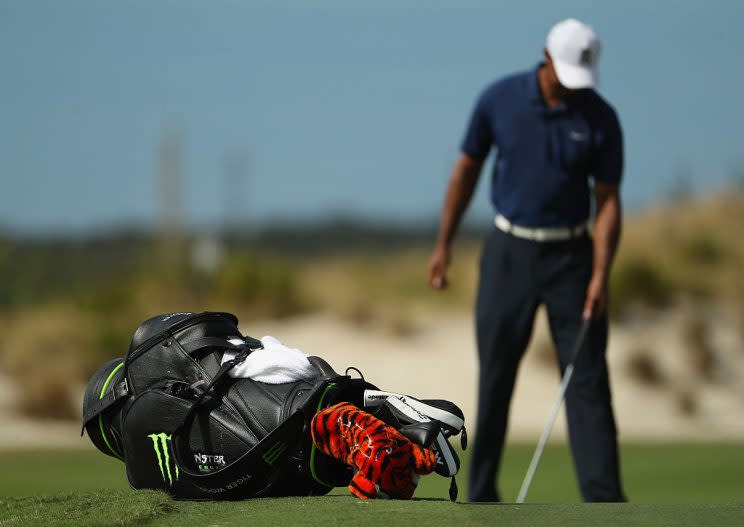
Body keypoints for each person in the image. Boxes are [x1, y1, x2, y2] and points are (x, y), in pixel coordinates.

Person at [427, 18, 626, 502]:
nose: (570, 87)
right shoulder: (499, 99)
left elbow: (608, 202)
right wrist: (444, 245)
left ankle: (605, 503)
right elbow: (466, 171)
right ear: (545, 58)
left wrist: (601, 274)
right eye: (563, 75)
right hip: (509, 253)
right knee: (495, 375)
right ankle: (481, 495)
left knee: (587, 382)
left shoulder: (600, 117)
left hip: (572, 260)